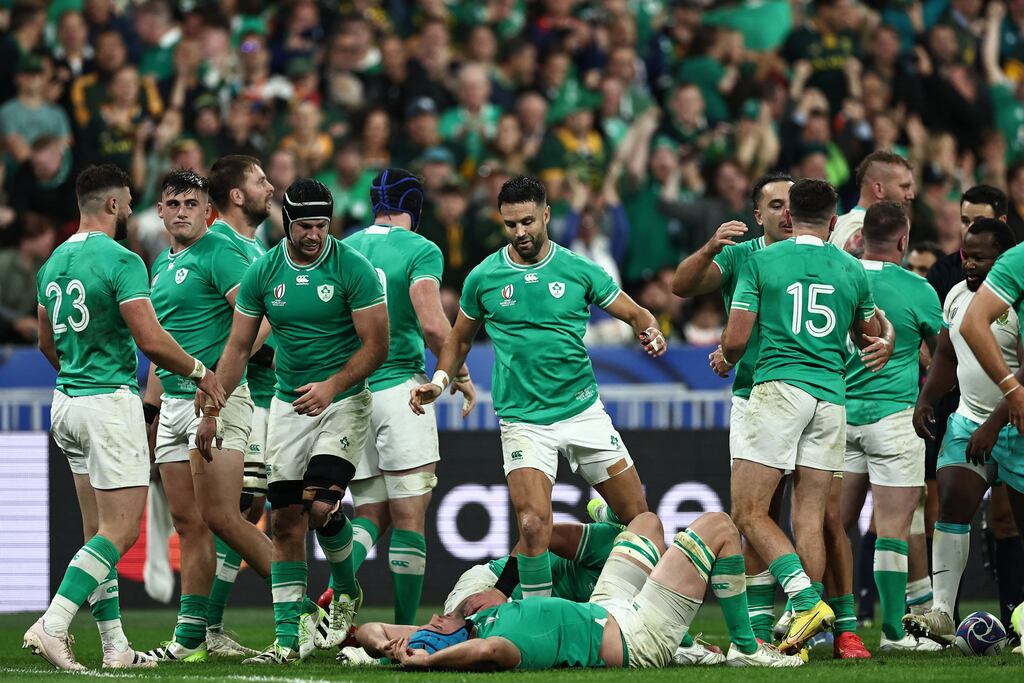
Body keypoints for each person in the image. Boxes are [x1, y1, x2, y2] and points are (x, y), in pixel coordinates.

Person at [409, 175, 665, 614]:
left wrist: (651, 330)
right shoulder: (484, 277)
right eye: (510, 224)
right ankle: (538, 618)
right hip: (524, 420)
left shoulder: (578, 269)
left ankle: (634, 606)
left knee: (639, 520)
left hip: (584, 413)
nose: (520, 232)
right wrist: (440, 380)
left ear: (547, 215)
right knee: (531, 525)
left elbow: (635, 311)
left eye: (528, 221)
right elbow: (459, 339)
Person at [23, 164, 226, 670]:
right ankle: (52, 623)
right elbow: (150, 340)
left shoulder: (53, 261)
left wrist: (76, 372)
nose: (134, 211)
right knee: (121, 532)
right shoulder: (125, 260)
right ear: (113, 205)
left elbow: (46, 340)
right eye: (130, 202)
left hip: (66, 402)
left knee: (98, 532)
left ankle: (115, 646)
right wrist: (203, 371)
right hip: (108, 405)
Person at [195, 178, 389, 663]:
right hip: (286, 406)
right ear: (286, 221)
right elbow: (239, 347)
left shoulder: (354, 268)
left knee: (320, 507)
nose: (314, 234)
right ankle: (287, 642)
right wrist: (214, 408)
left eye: (322, 225)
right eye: (304, 225)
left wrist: (332, 386)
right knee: (284, 522)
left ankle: (344, 593)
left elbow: (377, 346)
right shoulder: (264, 272)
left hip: (343, 400)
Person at [720, 179, 884, 654]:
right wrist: (886, 331)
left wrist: (727, 357)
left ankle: (807, 600)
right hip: (832, 398)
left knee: (748, 511)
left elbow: (734, 342)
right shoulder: (851, 269)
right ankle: (805, 631)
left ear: (790, 214)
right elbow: (871, 333)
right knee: (808, 518)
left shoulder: (762, 261)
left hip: (778, 390)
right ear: (834, 221)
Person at [317, 169, 477, 631]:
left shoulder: (341, 247)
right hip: (400, 390)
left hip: (350, 392)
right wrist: (458, 372)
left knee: (369, 512)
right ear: (416, 206)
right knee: (408, 517)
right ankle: (404, 629)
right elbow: (431, 323)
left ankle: (335, 595)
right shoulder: (421, 249)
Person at [356, 512, 800, 669]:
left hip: (605, 609)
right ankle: (745, 647)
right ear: (449, 639)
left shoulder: (475, 620)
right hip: (635, 635)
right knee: (720, 526)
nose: (432, 618)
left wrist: (393, 646)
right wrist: (430, 660)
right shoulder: (498, 643)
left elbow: (369, 628)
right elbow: (486, 654)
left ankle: (685, 644)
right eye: (435, 626)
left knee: (645, 523)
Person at [140, 169, 274, 663]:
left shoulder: (219, 253)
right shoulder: (160, 264)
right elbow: (163, 347)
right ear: (159, 212)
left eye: (191, 204)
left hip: (216, 399)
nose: (181, 211)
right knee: (190, 523)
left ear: (208, 211)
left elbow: (256, 322)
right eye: (172, 203)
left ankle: (304, 611)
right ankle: (191, 638)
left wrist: (220, 381)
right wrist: (152, 409)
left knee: (225, 516)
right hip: (175, 402)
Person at [907, 218, 1020, 645]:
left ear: (1004, 259)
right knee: (951, 503)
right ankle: (940, 612)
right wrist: (926, 399)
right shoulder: (955, 295)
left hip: (1015, 424)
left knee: (1017, 528)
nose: (969, 264)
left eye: (980, 257)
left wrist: (995, 424)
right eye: (965, 255)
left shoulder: (1018, 304)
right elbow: (946, 355)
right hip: (967, 420)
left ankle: (1020, 618)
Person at [838, 201, 943, 652]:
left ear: (860, 238)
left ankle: (830, 621)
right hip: (895, 417)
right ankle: (894, 633)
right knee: (894, 528)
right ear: (903, 240)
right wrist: (928, 397)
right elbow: (944, 356)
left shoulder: (838, 275)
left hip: (839, 418)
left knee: (830, 525)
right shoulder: (918, 289)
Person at [203, 154, 276, 655]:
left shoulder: (255, 247)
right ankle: (309, 609)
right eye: (260, 180)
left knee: (246, 511)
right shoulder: (225, 248)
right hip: (248, 396)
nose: (271, 187)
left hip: (265, 395)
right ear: (236, 195)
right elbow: (253, 327)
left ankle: (207, 625)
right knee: (239, 509)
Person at [828, 151, 915, 255]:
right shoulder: (866, 231)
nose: (911, 195)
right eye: (904, 187)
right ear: (879, 189)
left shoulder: (838, 224)